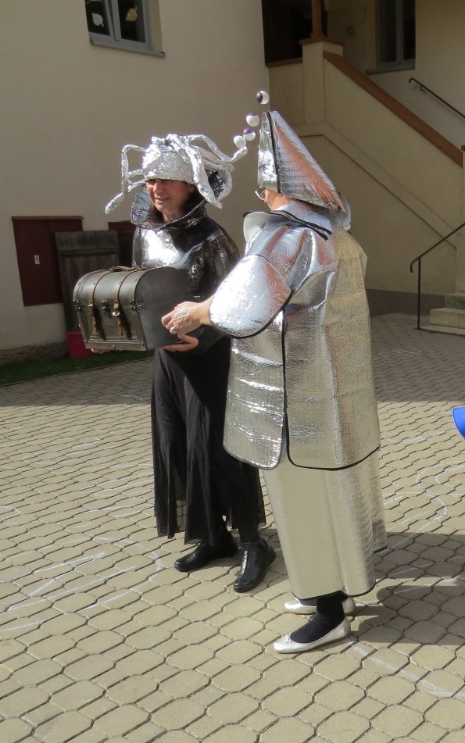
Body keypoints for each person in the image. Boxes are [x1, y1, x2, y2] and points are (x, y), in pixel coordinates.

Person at [162, 109, 386, 654]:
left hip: (294, 403)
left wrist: (197, 311)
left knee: (304, 502)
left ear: (274, 185)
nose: (259, 194)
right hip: (331, 397)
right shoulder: (335, 234)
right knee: (333, 497)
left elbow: (243, 306)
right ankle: (335, 590)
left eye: (262, 184)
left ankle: (328, 612)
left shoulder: (286, 236)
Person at [104, 134, 272, 593]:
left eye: (167, 180)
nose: (156, 188)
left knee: (220, 449)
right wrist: (137, 334)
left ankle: (253, 542)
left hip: (212, 359)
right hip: (167, 361)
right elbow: (141, 292)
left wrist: (201, 337)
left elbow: (238, 303)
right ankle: (214, 537)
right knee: (177, 444)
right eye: (151, 179)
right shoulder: (144, 234)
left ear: (191, 184)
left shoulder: (213, 238)